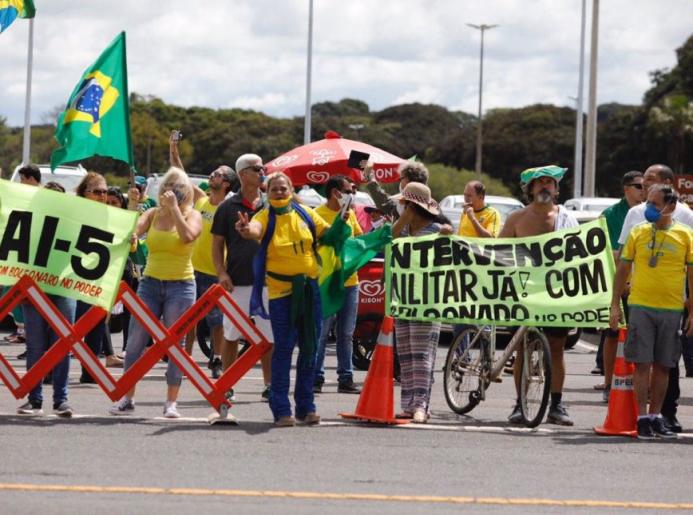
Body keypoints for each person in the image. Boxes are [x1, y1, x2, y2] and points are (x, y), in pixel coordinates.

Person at [235, 172, 329, 427]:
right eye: (274, 189)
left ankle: (306, 407)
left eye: (283, 187)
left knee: (310, 348)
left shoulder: (306, 213)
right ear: (268, 193)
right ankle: (281, 409)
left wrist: (343, 219)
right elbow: (254, 230)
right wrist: (246, 229)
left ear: (290, 189)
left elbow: (328, 233)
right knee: (284, 348)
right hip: (281, 294)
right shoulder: (264, 216)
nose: (279, 192)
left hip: (310, 291)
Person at [109, 167, 202, 418]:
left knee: (176, 344)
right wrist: (132, 205)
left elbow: (187, 237)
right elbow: (132, 234)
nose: (173, 190)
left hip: (181, 285)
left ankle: (171, 402)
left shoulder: (193, 215)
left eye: (179, 186)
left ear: (187, 191)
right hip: (150, 282)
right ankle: (127, 397)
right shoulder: (151, 213)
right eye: (169, 185)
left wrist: (174, 210)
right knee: (135, 341)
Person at [609, 184, 693, 439]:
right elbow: (622, 269)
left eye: (655, 204)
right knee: (642, 363)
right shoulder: (638, 232)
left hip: (671, 308)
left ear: (670, 206)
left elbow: (692, 276)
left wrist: (692, 312)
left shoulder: (686, 236)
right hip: (640, 306)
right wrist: (614, 304)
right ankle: (642, 417)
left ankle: (656, 416)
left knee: (664, 365)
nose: (649, 208)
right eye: (648, 202)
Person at [499, 165, 578, 426]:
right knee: (522, 348)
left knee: (556, 348)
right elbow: (497, 254)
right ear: (530, 189)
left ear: (556, 189)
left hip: (558, 294)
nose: (545, 186)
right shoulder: (516, 219)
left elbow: (580, 255)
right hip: (523, 293)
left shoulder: (568, 219)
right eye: (539, 182)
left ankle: (556, 404)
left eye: (550, 183)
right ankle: (520, 404)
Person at [170, 132, 237, 379]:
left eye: (218, 173)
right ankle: (185, 358)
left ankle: (216, 359)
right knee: (188, 317)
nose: (213, 175)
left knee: (217, 321)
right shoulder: (201, 199)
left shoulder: (229, 207)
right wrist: (174, 149)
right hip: (190, 269)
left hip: (216, 272)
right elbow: (180, 174)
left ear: (227, 183)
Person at [212, 153, 274, 401]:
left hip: (268, 281)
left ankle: (270, 385)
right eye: (257, 168)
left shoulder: (271, 204)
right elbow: (216, 244)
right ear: (242, 174)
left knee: (268, 337)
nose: (262, 172)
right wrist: (221, 272)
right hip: (236, 279)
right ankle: (227, 382)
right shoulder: (227, 207)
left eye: (263, 168)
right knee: (231, 335)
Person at [16, 165, 75, 417]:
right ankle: (35, 399)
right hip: (35, 290)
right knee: (36, 347)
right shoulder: (29, 224)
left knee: (62, 347)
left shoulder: (72, 227)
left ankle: (61, 400)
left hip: (63, 290)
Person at [391, 182, 442, 423]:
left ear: (412, 206)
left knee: (422, 355)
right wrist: (404, 219)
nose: (400, 208)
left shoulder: (436, 231)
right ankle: (408, 404)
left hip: (427, 300)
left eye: (404, 204)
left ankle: (422, 404)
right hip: (402, 298)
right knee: (406, 354)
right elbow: (388, 238)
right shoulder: (402, 231)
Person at [593, 170, 644, 401]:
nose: (643, 190)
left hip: (642, 285)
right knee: (612, 334)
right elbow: (608, 252)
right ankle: (608, 384)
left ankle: (639, 387)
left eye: (645, 186)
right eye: (638, 186)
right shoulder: (611, 214)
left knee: (640, 336)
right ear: (626, 189)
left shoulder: (649, 212)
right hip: (616, 283)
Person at [314, 176, 362, 394]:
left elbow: (359, 240)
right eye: (349, 190)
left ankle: (346, 377)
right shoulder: (316, 215)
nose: (352, 194)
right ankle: (316, 377)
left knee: (346, 334)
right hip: (326, 282)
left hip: (350, 282)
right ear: (335, 193)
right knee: (321, 332)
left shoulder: (351, 214)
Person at [75, 173, 123, 384]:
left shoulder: (112, 216)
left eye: (105, 191)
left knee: (95, 324)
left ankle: (90, 371)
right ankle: (51, 369)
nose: (103, 196)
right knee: (71, 325)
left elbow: (125, 244)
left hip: (100, 278)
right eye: (97, 192)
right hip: (73, 278)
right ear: (85, 193)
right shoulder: (74, 212)